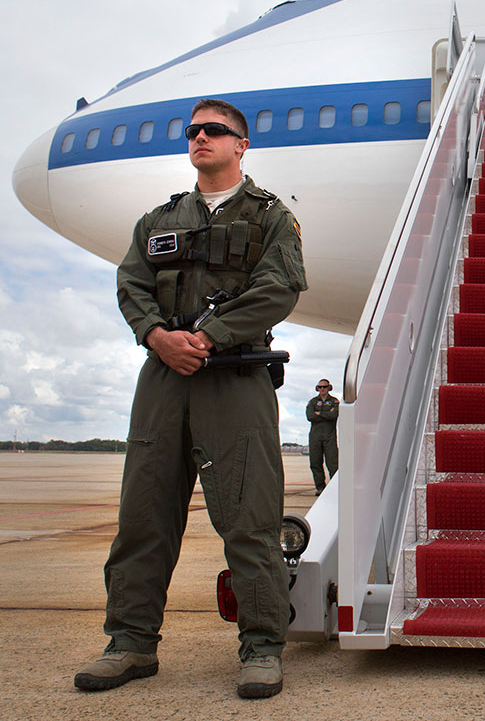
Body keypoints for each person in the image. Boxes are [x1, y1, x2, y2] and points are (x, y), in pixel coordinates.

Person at [74, 98, 307, 699]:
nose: (200, 137)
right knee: (143, 518)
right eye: (193, 130)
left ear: (241, 144)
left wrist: (207, 337)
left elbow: (280, 288)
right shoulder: (158, 219)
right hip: (163, 377)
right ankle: (130, 643)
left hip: (234, 376)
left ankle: (262, 647)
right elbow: (131, 283)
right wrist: (157, 336)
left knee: (250, 520)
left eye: (214, 130)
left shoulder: (271, 217)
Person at [306, 379, 339, 493]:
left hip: (330, 437)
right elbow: (310, 416)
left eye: (324, 387)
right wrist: (327, 414)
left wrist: (319, 413)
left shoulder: (334, 401)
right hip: (315, 437)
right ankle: (320, 488)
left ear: (329, 387)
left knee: (333, 464)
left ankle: (335, 488)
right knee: (315, 463)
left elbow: (334, 415)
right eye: (320, 387)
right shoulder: (313, 402)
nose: (322, 389)